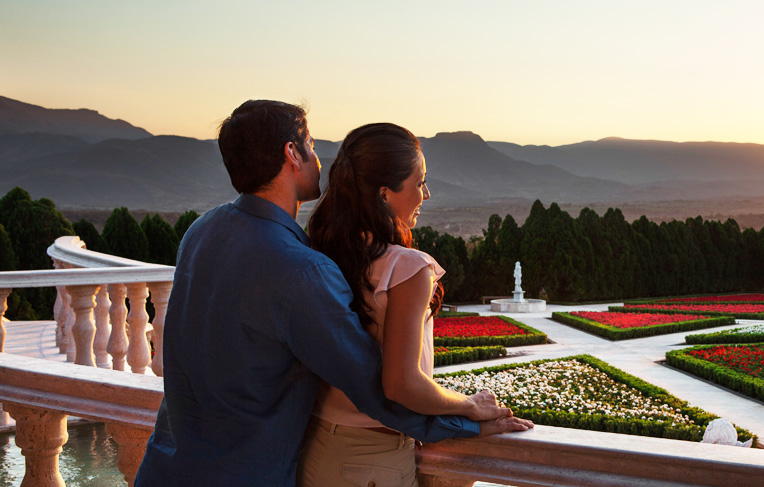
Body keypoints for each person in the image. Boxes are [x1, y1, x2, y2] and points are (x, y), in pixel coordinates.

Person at [134, 101, 526, 487]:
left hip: (165, 467)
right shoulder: (300, 269)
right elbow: (379, 386)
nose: (320, 160)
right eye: (313, 145)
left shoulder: (202, 231)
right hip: (243, 473)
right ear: (293, 154)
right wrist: (468, 416)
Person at [298, 123, 532, 486]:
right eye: (419, 181)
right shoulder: (406, 268)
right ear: (385, 193)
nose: (426, 193)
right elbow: (402, 384)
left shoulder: (323, 253)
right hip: (371, 463)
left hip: (317, 450)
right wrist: (471, 407)